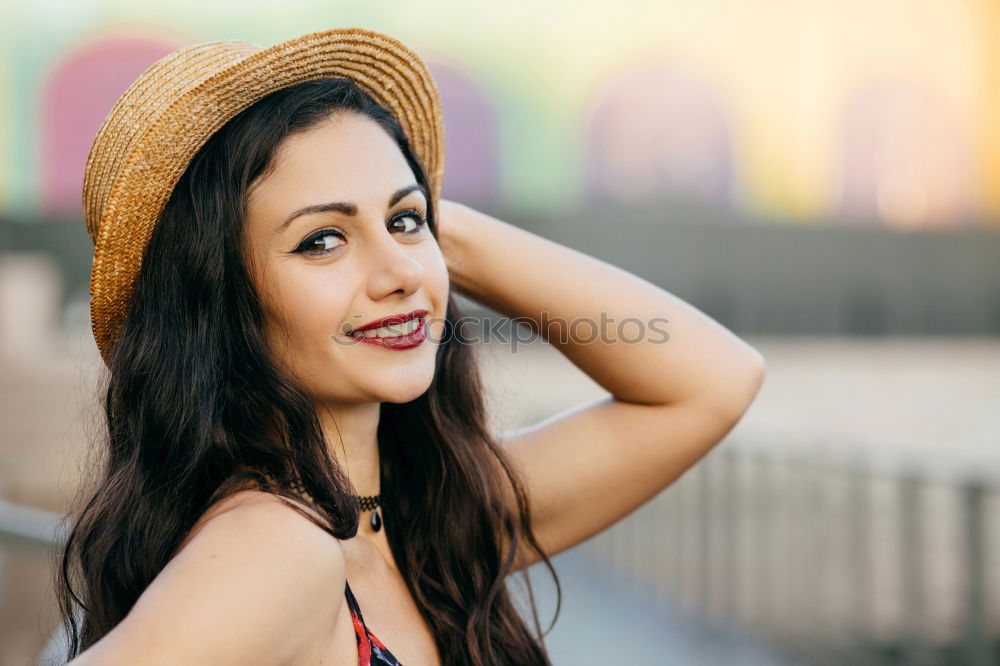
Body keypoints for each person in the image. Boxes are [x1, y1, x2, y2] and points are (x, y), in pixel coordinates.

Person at [55, 27, 765, 666]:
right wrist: (401, 219)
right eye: (321, 241)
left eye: (404, 220)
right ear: (217, 300)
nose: (398, 274)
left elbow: (715, 379)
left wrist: (428, 231)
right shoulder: (273, 549)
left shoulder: (432, 517)